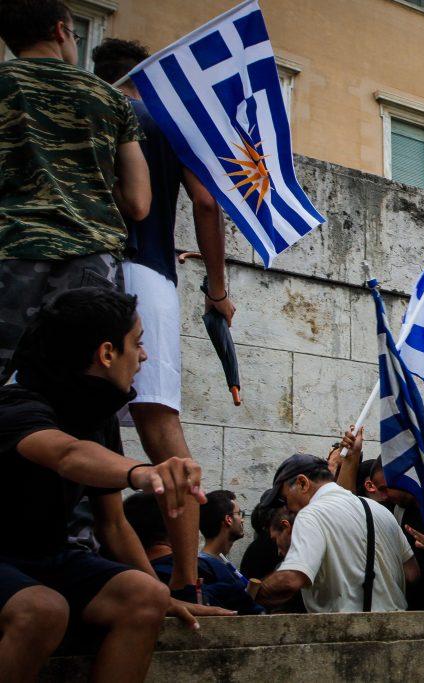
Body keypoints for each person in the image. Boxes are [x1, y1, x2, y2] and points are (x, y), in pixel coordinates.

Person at [0, 287, 228, 681]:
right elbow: (67, 454)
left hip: (48, 556)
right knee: (42, 610)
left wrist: (163, 595)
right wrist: (144, 472)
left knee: (146, 596)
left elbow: (113, 523)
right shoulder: (17, 404)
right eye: (137, 344)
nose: (144, 356)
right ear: (107, 353)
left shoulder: (96, 412)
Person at [91, 37, 236, 601]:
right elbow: (206, 202)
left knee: (81, 420)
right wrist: (217, 290)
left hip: (82, 270)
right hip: (146, 273)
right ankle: (186, 579)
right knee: (162, 429)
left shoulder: (88, 108)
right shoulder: (164, 120)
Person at [0, 0, 150, 382]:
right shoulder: (111, 99)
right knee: (78, 385)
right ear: (60, 31)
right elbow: (138, 202)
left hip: (11, 248)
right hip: (90, 259)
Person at [254, 454, 419, 613]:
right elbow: (412, 573)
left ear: (302, 483)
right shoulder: (380, 510)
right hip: (397, 623)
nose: (288, 507)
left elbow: (291, 580)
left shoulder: (310, 515)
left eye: (285, 498)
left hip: (346, 628)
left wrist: (252, 593)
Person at [198, 490, 264, 614]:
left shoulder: (222, 563)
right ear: (228, 519)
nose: (242, 520)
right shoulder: (203, 567)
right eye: (239, 514)